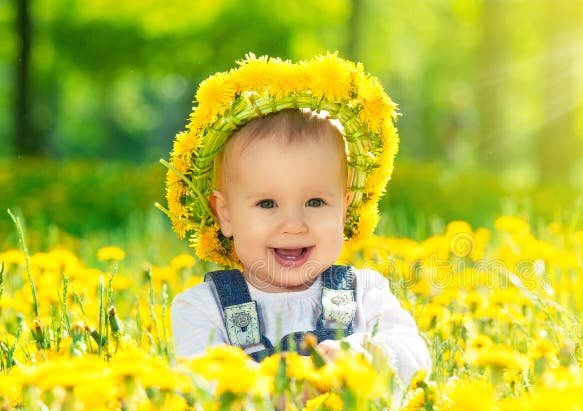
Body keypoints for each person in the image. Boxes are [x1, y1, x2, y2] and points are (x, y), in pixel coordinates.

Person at [164, 53, 431, 388]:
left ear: (344, 210)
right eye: (267, 203)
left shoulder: (365, 293)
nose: (293, 224)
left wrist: (364, 355)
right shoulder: (202, 307)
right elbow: (199, 382)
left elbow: (415, 355)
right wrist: (269, 389)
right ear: (226, 215)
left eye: (315, 202)